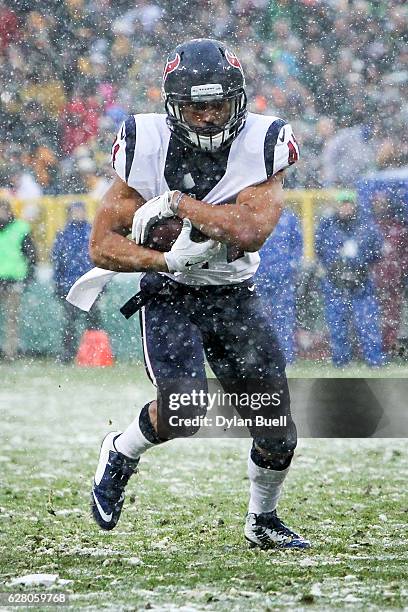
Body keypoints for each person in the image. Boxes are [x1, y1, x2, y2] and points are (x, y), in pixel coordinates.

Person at [74, 39, 308, 548]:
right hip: (171, 291)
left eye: (217, 104)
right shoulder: (145, 143)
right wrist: (164, 260)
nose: (206, 117)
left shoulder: (264, 143)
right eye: (195, 106)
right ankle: (121, 451)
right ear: (172, 106)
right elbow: (100, 245)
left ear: (239, 101)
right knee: (183, 410)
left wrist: (178, 203)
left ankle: (262, 520)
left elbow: (248, 231)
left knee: (276, 430)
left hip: (232, 292)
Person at [315, 192, 385, 367]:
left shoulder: (366, 226)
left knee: (367, 323)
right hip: (335, 283)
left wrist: (359, 264)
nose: (345, 207)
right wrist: (336, 265)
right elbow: (319, 250)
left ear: (354, 205)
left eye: (348, 204)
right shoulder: (327, 226)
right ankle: (341, 361)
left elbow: (377, 251)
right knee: (337, 325)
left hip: (361, 283)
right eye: (342, 204)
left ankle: (374, 360)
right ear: (337, 206)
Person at [51, 201, 101, 362]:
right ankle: (68, 353)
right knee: (70, 322)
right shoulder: (64, 235)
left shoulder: (91, 232)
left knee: (93, 321)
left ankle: (94, 354)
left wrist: (101, 285)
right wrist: (58, 284)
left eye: (80, 211)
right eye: (75, 211)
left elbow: (100, 261)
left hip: (89, 284)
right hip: (71, 285)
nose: (78, 214)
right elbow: (57, 262)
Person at [255, 208, 303, 364]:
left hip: (282, 278)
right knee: (258, 319)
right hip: (258, 276)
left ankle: (285, 357)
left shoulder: (288, 217)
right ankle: (262, 358)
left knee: (283, 319)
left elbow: (297, 245)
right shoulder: (254, 215)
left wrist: (292, 267)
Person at [371, 192, 408, 356]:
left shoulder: (398, 228)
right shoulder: (371, 227)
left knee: (392, 317)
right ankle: (377, 350)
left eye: (383, 203)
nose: (381, 207)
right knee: (374, 316)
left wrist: (401, 272)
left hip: (393, 280)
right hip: (373, 281)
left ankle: (390, 350)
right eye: (378, 203)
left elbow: (404, 254)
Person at [0, 199, 36, 360]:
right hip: (7, 279)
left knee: (11, 321)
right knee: (11, 320)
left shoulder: (20, 229)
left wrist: (27, 279)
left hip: (14, 280)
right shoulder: (20, 228)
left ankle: (10, 352)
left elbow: (31, 256)